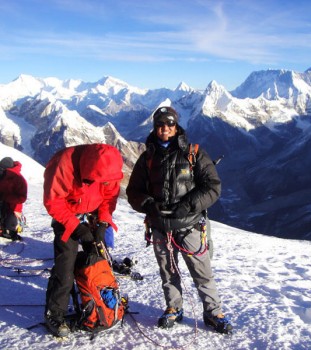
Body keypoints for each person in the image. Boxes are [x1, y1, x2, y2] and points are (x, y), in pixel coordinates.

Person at [126, 106, 233, 334]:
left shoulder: (193, 153)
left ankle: (213, 312)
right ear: (155, 127)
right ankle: (174, 308)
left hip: (190, 226)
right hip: (160, 226)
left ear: (176, 126)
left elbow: (212, 187)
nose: (164, 129)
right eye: (160, 125)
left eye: (169, 124)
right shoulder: (147, 158)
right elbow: (134, 191)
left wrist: (187, 205)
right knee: (168, 272)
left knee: (202, 272)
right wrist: (148, 205)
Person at [43, 143, 123, 337]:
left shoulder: (108, 169)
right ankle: (55, 313)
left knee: (97, 262)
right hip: (66, 216)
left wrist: (103, 222)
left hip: (93, 215)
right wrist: (76, 227)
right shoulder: (63, 164)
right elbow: (54, 201)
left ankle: (97, 305)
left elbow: (109, 196)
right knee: (65, 266)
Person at [0, 156, 27, 241]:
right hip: (2, 204)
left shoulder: (19, 179)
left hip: (13, 208)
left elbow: (22, 198)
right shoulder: (2, 175)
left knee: (9, 231)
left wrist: (5, 197)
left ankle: (11, 230)